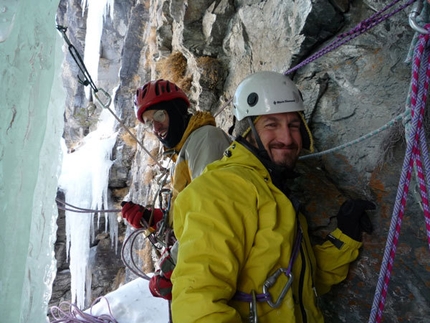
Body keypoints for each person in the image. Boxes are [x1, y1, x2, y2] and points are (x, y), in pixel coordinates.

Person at [170, 71, 375, 322]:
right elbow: (198, 307)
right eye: (271, 124)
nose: (287, 138)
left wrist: (344, 239)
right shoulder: (221, 190)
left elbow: (301, 282)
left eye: (294, 125)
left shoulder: (272, 189)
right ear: (247, 132)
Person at [121, 79, 231, 299]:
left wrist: (174, 264)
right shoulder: (184, 151)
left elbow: (210, 214)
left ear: (177, 110)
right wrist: (153, 219)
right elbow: (191, 208)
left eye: (160, 115)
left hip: (214, 264)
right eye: (149, 122)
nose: (156, 127)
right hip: (205, 263)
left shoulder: (205, 139)